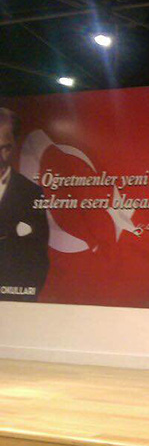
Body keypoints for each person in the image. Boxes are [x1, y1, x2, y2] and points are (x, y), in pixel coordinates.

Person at [0, 107, 49, 302]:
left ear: (15, 145)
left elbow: (38, 257)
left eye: (5, 148)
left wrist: (23, 303)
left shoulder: (30, 193)